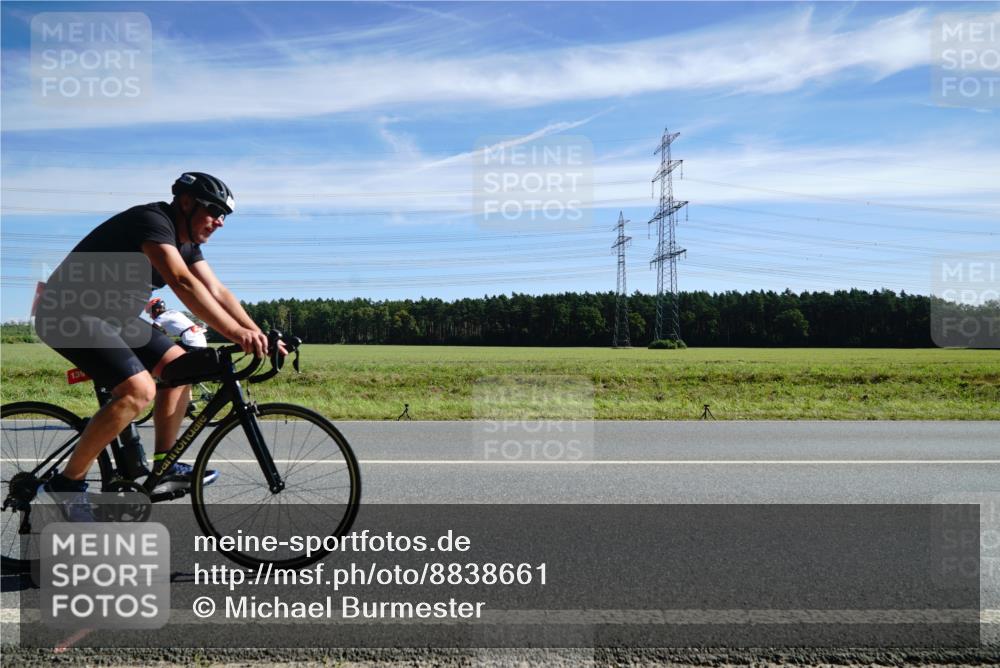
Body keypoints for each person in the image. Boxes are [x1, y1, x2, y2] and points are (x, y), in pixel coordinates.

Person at [34, 172, 276, 520]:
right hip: (68, 312)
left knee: (184, 369)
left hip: (115, 318)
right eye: (214, 211)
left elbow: (219, 292)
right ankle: (66, 485)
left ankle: (166, 464)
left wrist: (258, 334)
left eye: (225, 216)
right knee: (138, 390)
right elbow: (182, 282)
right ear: (187, 203)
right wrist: (237, 334)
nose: (220, 222)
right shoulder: (153, 222)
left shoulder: (188, 244)